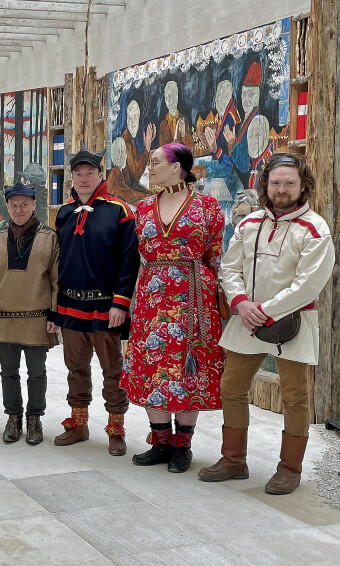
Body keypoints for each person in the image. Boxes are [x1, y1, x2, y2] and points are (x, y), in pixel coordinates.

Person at [199, 154, 334, 494]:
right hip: (247, 320)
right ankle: (233, 460)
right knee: (231, 387)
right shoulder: (249, 224)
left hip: (292, 323)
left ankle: (290, 469)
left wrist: (266, 311)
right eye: (276, 182)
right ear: (266, 185)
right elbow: (230, 268)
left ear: (302, 186)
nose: (282, 189)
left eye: (289, 183)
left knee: (295, 397)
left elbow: (309, 284)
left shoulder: (315, 228)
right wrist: (241, 303)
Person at [121, 143, 225, 473]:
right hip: (151, 301)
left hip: (193, 299)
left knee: (187, 369)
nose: (148, 168)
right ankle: (161, 441)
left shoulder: (207, 207)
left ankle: (183, 445)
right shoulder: (144, 206)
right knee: (154, 366)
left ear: (177, 166)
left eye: (154, 163)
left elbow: (215, 257)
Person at [50, 144, 140, 456]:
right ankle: (79, 423)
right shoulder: (63, 214)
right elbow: (58, 262)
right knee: (75, 367)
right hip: (71, 305)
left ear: (99, 174)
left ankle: (116, 428)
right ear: (71, 178)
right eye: (78, 173)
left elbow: (130, 260)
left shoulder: (120, 210)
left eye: (90, 173)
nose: (84, 178)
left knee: (113, 370)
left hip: (106, 306)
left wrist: (121, 303)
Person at [0, 183, 59, 445]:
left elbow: (56, 279)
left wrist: (55, 315)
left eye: (24, 204)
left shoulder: (50, 237)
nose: (19, 209)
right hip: (5, 316)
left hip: (38, 316)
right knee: (8, 372)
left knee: (37, 372)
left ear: (33, 204)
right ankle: (13, 417)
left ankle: (34, 419)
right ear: (7, 207)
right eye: (14, 205)